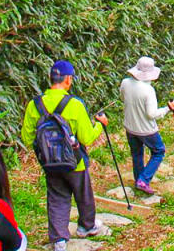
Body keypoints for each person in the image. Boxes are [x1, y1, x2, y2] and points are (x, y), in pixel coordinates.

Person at [21, 60, 110, 251]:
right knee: (83, 193)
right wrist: (100, 124)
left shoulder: (34, 105)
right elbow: (86, 137)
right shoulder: (74, 104)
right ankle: (86, 226)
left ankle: (59, 239)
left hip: (49, 162)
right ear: (68, 80)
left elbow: (27, 138)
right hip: (74, 161)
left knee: (56, 196)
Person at [119, 56, 174, 195]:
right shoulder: (148, 90)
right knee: (159, 151)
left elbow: (122, 98)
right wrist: (167, 109)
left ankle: (138, 179)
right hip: (146, 130)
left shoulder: (125, 82)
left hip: (130, 126)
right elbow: (151, 114)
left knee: (137, 153)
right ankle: (143, 180)